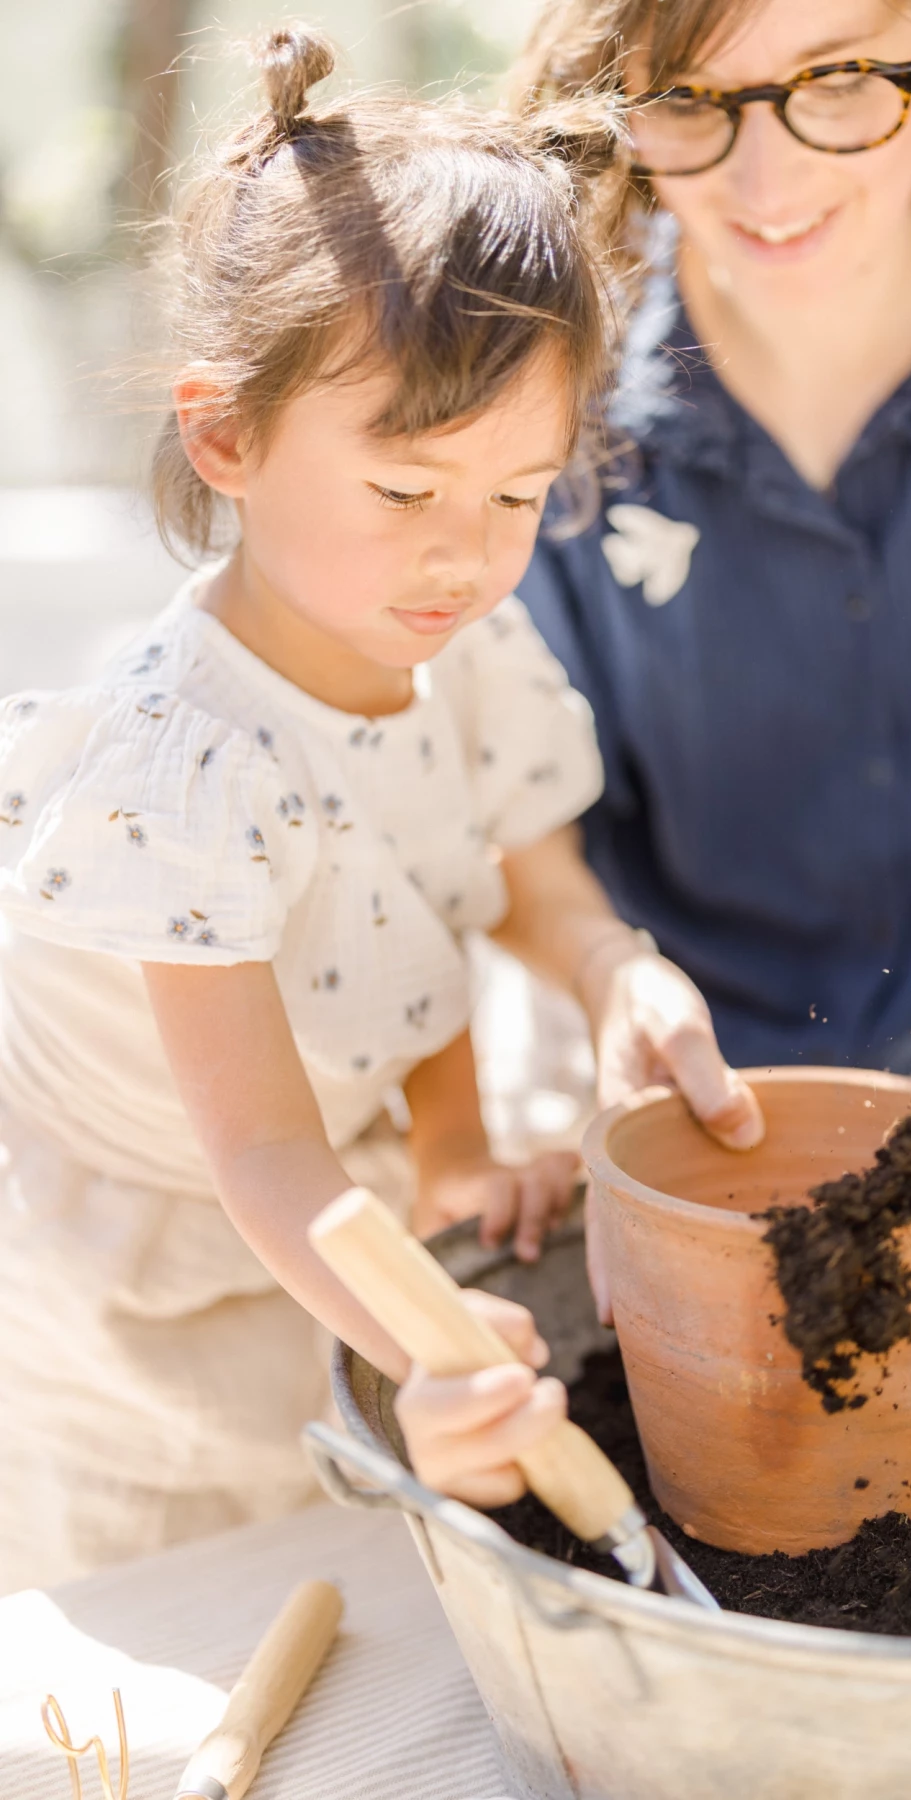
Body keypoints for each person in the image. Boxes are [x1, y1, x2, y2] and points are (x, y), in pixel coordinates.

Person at [401, 0, 911, 1505]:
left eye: (837, 83)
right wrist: (600, 970)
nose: (763, 184)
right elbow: (497, 808)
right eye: (693, 101)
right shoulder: (541, 402)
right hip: (628, 1069)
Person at [0, 26, 758, 1591]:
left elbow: (508, 887)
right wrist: (417, 1330)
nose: (464, 556)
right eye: (408, 492)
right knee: (196, 1589)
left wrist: (613, 977)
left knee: (375, 1549)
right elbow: (265, 1153)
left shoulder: (459, 643)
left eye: (516, 496)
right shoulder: (188, 774)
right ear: (228, 436)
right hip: (144, 1265)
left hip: (338, 1202)